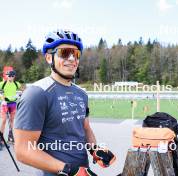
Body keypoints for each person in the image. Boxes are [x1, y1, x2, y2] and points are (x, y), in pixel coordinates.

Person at [14, 30, 116, 176]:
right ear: (49, 58)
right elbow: (23, 150)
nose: (71, 58)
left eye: (76, 54)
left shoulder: (81, 94)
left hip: (83, 171)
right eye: (64, 52)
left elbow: (85, 128)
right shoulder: (36, 94)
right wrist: (69, 170)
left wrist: (95, 149)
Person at [0, 70, 21, 150]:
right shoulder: (2, 84)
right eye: (9, 75)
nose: (10, 77)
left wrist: (18, 95)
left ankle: (10, 137)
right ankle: (1, 139)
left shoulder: (16, 84)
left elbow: (21, 90)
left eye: (12, 76)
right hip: (5, 104)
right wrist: (2, 99)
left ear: (14, 76)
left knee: (12, 121)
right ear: (6, 76)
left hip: (13, 104)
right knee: (4, 120)